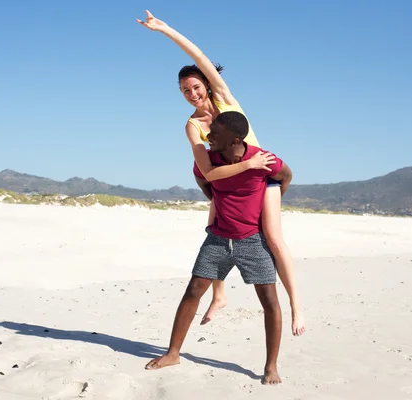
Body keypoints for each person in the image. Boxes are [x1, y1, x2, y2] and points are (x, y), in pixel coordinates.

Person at [136, 10, 305, 336]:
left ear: (206, 83)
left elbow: (198, 55)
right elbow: (206, 169)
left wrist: (165, 29)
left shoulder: (226, 99)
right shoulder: (192, 126)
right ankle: (219, 294)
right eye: (185, 90)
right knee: (217, 230)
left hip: (261, 175)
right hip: (228, 182)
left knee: (273, 238)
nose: (192, 93)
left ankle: (296, 306)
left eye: (196, 86)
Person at [145, 111, 291, 385]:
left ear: (235, 138)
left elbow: (286, 175)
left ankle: (271, 366)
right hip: (218, 238)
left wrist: (271, 203)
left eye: (216, 132)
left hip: (253, 240)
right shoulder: (209, 160)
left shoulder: (263, 159)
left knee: (270, 301)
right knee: (193, 291)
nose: (209, 136)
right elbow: (203, 179)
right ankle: (173, 353)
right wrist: (217, 198)